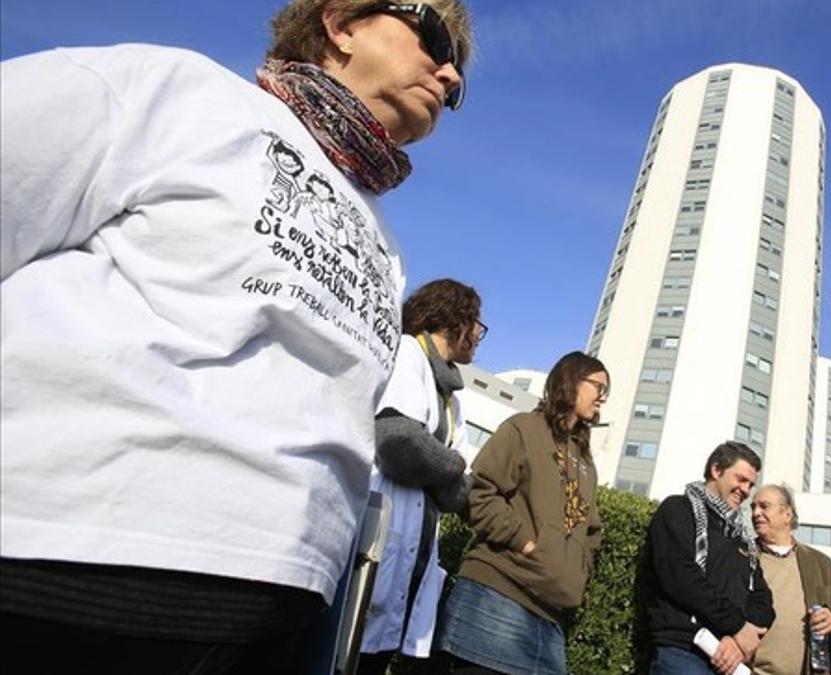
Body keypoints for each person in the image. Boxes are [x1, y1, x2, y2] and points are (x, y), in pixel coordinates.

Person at [0, 1, 473, 672]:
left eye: (461, 79)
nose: (450, 76)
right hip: (66, 576)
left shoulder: (385, 243)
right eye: (433, 35)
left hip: (286, 611)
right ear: (341, 23)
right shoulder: (175, 91)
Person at [437, 352, 609, 674]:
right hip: (498, 596)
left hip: (552, 618)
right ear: (570, 382)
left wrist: (578, 570)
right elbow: (480, 491)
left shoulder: (585, 461)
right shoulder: (523, 429)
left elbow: (592, 531)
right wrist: (527, 543)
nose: (603, 397)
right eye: (598, 385)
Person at [357, 279, 485, 675]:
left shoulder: (452, 400)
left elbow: (457, 496)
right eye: (476, 323)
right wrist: (455, 465)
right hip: (377, 540)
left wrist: (446, 466)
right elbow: (401, 447)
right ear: (454, 319)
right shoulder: (408, 353)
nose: (479, 335)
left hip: (412, 557)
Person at [643, 442, 775, 675]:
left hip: (730, 660)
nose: (745, 490)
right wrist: (736, 626)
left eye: (751, 485)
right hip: (684, 652)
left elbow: (763, 600)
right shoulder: (677, 510)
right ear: (716, 470)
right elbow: (681, 577)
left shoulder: (742, 537)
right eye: (741, 479)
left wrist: (738, 640)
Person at [750, 484, 831, 675]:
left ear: (787, 515)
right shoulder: (741, 556)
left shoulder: (819, 563)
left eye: (764, 506)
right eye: (753, 507)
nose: (756, 513)